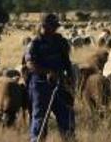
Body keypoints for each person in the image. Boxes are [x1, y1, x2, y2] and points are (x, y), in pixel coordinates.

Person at [24, 13, 75, 142]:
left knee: (66, 115)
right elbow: (30, 64)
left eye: (54, 26)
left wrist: (70, 76)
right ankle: (37, 139)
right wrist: (48, 72)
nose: (53, 29)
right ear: (43, 26)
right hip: (40, 85)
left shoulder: (60, 42)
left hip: (59, 83)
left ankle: (69, 139)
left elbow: (66, 61)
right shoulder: (34, 44)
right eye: (50, 26)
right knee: (40, 117)